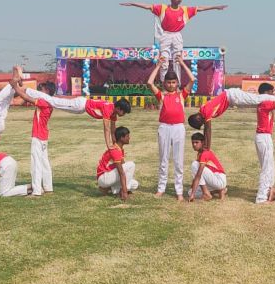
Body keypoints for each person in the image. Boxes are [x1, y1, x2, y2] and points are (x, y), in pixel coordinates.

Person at [120, 0, 227, 83]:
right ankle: (163, 82)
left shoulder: (185, 10)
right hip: (165, 35)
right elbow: (147, 6)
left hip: (177, 35)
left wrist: (215, 7)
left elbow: (200, 8)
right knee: (164, 59)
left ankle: (177, 84)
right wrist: (133, 3)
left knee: (178, 59)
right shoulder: (162, 8)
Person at [147, 55, 196, 201]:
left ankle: (179, 191)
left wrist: (181, 63)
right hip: (164, 128)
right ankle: (161, 188)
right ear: (164, 83)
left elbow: (192, 79)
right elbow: (149, 82)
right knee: (163, 158)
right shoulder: (161, 96)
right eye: (168, 82)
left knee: (178, 160)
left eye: (173, 82)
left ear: (177, 83)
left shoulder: (181, 95)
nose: (171, 85)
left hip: (178, 128)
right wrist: (158, 66)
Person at [22, 90, 131, 150]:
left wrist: (115, 144)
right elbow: (106, 129)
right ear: (118, 108)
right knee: (53, 101)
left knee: (54, 101)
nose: (124, 114)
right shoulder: (109, 108)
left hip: (81, 107)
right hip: (79, 105)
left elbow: (112, 130)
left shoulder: (113, 113)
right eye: (124, 112)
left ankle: (29, 92)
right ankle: (28, 92)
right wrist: (109, 145)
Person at [11, 79, 57, 196]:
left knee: (36, 163)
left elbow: (27, 98)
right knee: (44, 162)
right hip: (43, 135)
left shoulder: (44, 102)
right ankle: (48, 187)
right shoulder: (49, 102)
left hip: (38, 135)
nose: (40, 90)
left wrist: (15, 88)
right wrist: (20, 85)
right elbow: (28, 93)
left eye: (43, 89)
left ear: (47, 91)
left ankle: (36, 191)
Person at [187, 88, 275, 132]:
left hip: (232, 96)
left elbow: (208, 130)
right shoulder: (203, 111)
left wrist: (206, 146)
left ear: (198, 119)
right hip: (232, 99)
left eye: (201, 123)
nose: (203, 123)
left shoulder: (206, 112)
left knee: (256, 100)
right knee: (257, 103)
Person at [97, 127, 139, 200]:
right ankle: (122, 191)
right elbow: (121, 173)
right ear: (121, 138)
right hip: (103, 177)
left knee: (135, 184)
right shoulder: (115, 150)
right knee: (131, 164)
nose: (129, 138)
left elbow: (123, 167)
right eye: (127, 136)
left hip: (109, 176)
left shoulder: (119, 149)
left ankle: (108, 189)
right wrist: (125, 191)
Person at [187, 132, 227, 202]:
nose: (194, 144)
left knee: (194, 164)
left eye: (197, 142)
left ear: (202, 143)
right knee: (190, 192)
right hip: (214, 180)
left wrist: (193, 195)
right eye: (193, 142)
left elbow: (198, 175)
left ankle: (206, 193)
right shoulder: (200, 153)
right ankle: (219, 190)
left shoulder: (205, 153)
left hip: (219, 179)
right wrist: (192, 192)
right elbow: (198, 175)